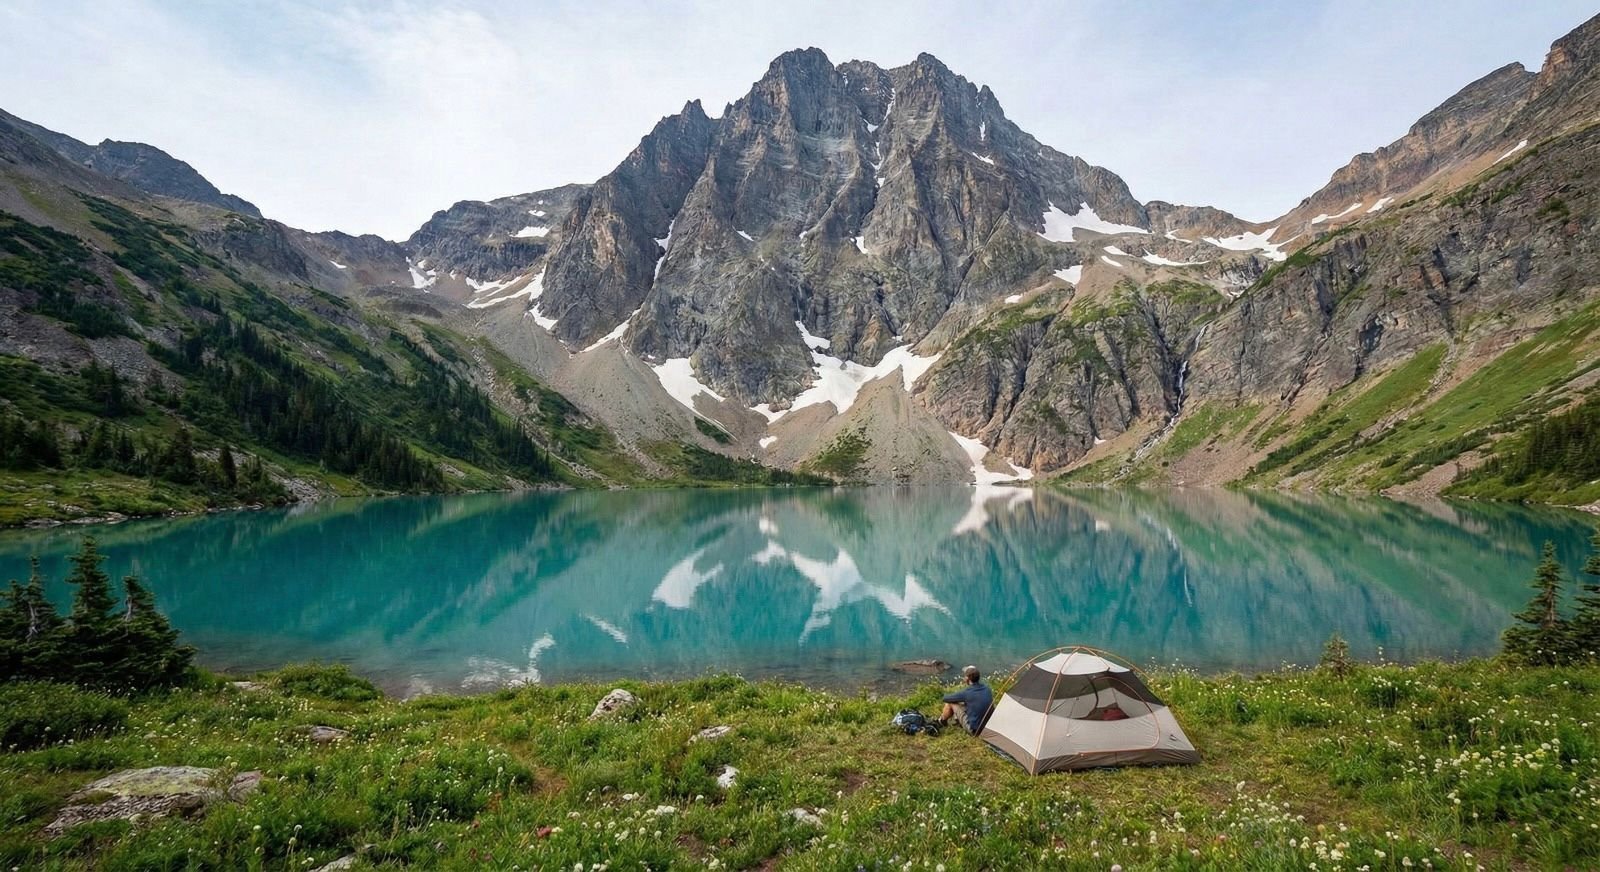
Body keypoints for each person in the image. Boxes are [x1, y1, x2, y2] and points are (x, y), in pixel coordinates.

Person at [938, 665, 992, 734]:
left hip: (975, 730)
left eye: (965, 676)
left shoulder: (967, 692)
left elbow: (945, 698)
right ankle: (955, 719)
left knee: (950, 703)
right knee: (965, 703)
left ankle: (942, 722)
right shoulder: (987, 688)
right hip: (988, 726)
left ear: (967, 679)